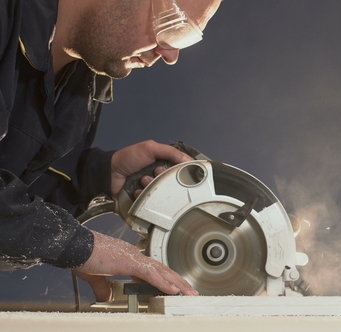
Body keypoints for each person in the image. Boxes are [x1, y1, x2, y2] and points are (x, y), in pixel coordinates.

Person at [0, 0, 222, 302]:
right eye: (175, 26)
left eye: (187, 37)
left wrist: (97, 176)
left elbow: (19, 200)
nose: (170, 55)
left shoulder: (85, 77)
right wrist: (79, 245)